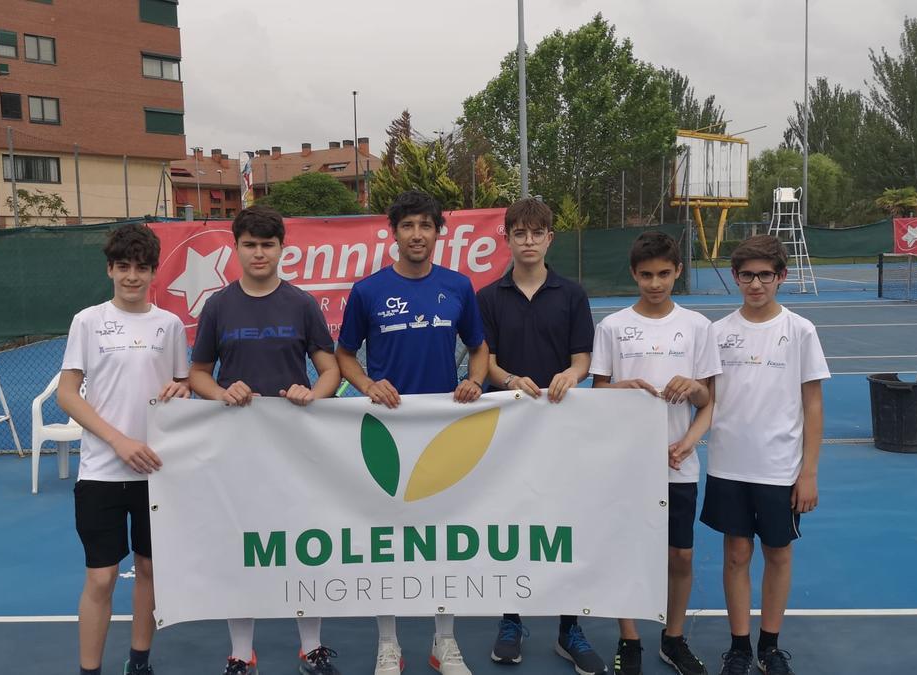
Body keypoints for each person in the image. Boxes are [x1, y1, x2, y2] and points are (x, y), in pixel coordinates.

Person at [336, 190, 489, 675]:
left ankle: (445, 642)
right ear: (393, 232)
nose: (417, 235)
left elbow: (480, 348)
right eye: (408, 226)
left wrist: (475, 380)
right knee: (388, 539)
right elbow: (344, 354)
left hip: (441, 432)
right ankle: (389, 643)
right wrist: (364, 383)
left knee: (441, 539)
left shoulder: (458, 286)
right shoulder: (368, 291)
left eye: (426, 225)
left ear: (438, 232)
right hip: (385, 430)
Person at [187, 206, 343, 675]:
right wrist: (221, 390)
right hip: (236, 449)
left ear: (281, 248)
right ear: (236, 248)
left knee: (303, 544)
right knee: (243, 546)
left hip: (295, 447)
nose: (259, 253)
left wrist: (312, 392)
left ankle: (311, 649)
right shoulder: (218, 306)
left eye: (267, 244)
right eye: (250, 245)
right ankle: (240, 653)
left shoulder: (301, 303)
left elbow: (331, 369)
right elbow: (197, 374)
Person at [476, 198, 605, 675]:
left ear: (550, 238)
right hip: (506, 430)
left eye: (537, 234)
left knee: (563, 523)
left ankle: (569, 627)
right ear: (507, 238)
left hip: (560, 427)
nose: (528, 242)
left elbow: (582, 358)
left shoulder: (572, 295)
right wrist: (509, 380)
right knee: (513, 524)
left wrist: (571, 376)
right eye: (520, 234)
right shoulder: (487, 297)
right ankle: (511, 619)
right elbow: (483, 360)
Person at [58, 223, 191, 675]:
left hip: (156, 472)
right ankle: (89, 669)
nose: (132, 276)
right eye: (123, 267)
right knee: (102, 577)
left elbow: (182, 383)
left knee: (150, 572)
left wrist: (182, 390)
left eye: (141, 268)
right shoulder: (88, 321)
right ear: (110, 269)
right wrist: (118, 440)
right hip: (101, 471)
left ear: (153, 272)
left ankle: (139, 661)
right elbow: (68, 393)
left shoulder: (169, 325)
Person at [589, 231, 720, 675]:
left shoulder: (699, 327)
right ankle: (630, 639)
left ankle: (673, 637)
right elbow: (599, 394)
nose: (655, 283)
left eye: (664, 274)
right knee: (627, 550)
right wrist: (620, 388)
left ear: (678, 272)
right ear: (634, 274)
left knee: (679, 555)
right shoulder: (611, 327)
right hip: (627, 465)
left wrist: (689, 437)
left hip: (677, 463)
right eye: (646, 275)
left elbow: (709, 400)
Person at [702, 235, 828, 675]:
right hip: (728, 466)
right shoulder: (717, 334)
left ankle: (770, 647)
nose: (756, 284)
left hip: (780, 469)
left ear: (781, 277)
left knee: (778, 554)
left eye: (765, 275)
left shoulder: (800, 330)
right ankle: (739, 647)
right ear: (735, 278)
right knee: (736, 555)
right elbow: (708, 399)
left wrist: (808, 472)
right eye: (747, 275)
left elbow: (812, 403)